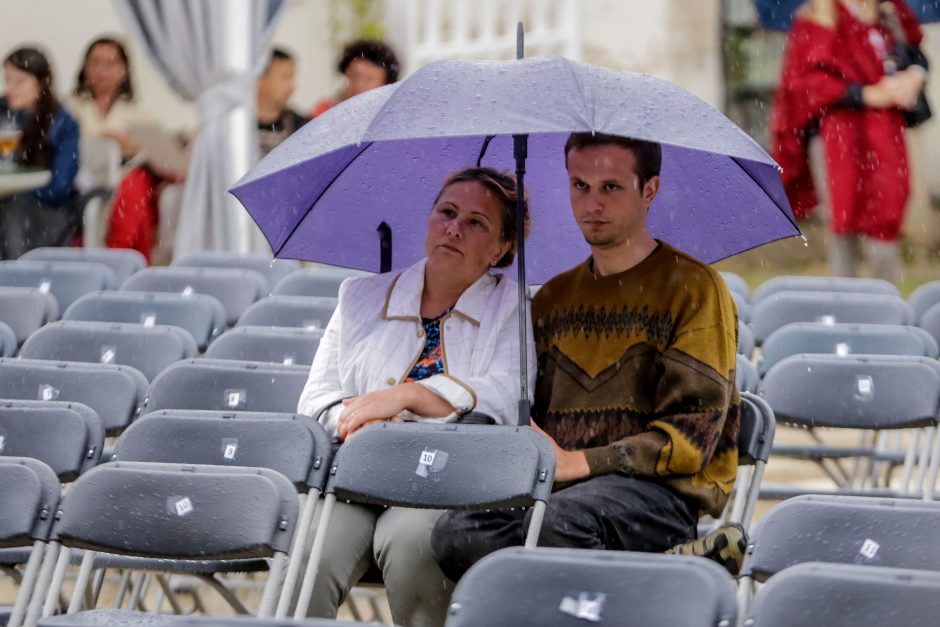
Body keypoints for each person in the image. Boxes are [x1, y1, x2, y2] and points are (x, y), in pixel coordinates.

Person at [432, 133, 743, 580]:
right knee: (455, 534)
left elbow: (690, 439)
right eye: (580, 186)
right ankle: (656, 572)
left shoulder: (695, 289)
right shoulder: (554, 298)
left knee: (558, 527)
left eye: (610, 188)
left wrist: (585, 462)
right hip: (558, 487)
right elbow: (532, 415)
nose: (592, 203)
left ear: (649, 190)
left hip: (658, 494)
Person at [296, 166, 534, 627]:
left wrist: (412, 395)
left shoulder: (514, 306)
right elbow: (315, 400)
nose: (453, 228)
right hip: (355, 475)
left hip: (444, 486)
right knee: (308, 549)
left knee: (413, 547)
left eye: (476, 223)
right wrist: (364, 423)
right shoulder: (359, 296)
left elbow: (507, 397)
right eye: (446, 212)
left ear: (502, 247)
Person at [771, 0, 927, 281]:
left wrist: (914, 76)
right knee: (843, 225)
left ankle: (885, 306)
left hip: (886, 133)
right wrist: (863, 94)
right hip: (836, 137)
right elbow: (802, 84)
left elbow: (915, 54)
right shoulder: (815, 21)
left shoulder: (892, 14)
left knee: (886, 219)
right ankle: (845, 305)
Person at [67, 36, 178, 262]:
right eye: (95, 62)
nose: (101, 70)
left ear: (124, 70)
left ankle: (120, 258)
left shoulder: (137, 113)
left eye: (110, 64)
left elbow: (170, 162)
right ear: (85, 67)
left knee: (135, 189)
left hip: (127, 179)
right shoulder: (70, 107)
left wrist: (133, 146)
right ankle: (126, 263)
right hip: (82, 182)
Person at [0, 46, 80, 259]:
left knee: (12, 212)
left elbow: (60, 186)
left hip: (44, 210)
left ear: (41, 82)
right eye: (7, 80)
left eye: (19, 81)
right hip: (7, 202)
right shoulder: (3, 111)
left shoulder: (63, 123)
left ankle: (14, 281)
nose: (10, 89)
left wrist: (18, 190)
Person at [309, 39, 399, 118]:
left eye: (369, 79)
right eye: (353, 77)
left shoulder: (395, 117)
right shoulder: (325, 112)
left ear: (386, 83)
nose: (359, 86)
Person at [257, 48, 306, 158]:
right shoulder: (236, 125)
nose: (292, 86)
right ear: (260, 79)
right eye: (285, 77)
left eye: (292, 78)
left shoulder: (302, 128)